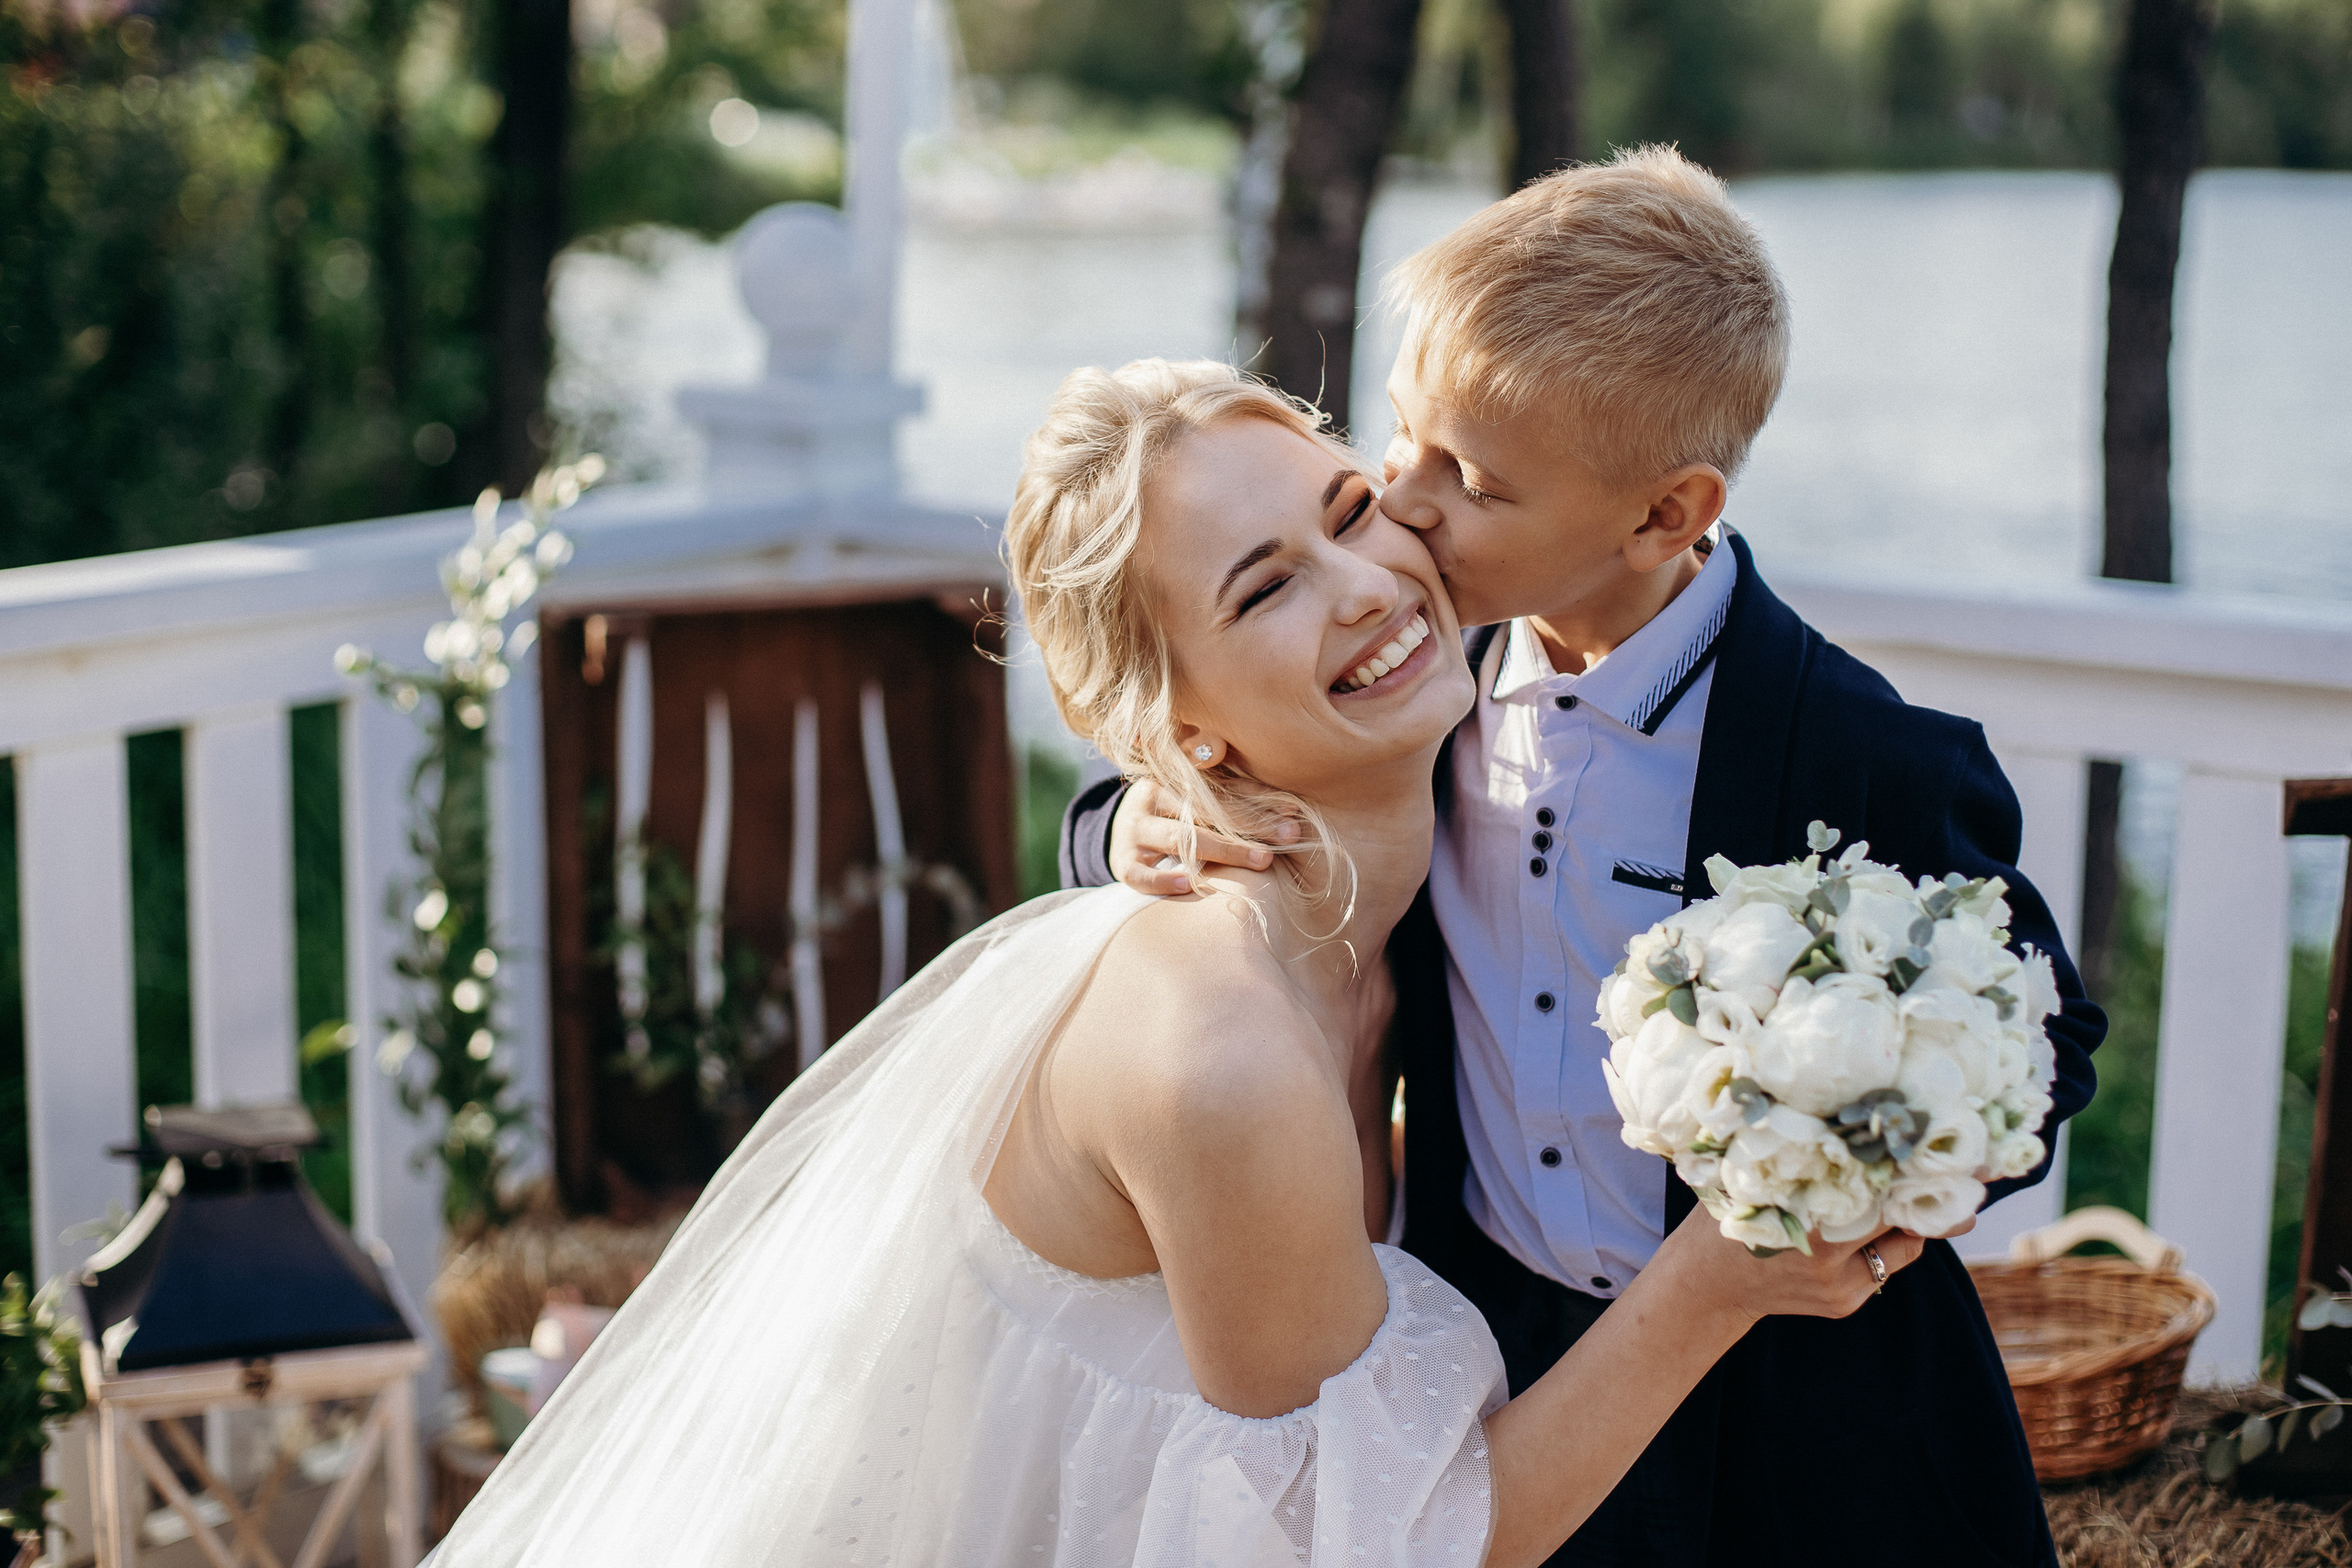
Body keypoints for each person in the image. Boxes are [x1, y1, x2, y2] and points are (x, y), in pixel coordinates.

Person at [430, 360, 1926, 1567]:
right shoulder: (1222, 1052)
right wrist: (1717, 1281)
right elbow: (1414, 1551)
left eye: (1352, 508)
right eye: (1263, 588)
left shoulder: (1434, 843)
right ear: (1184, 734)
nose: (1366, 586)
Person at [1066, 150, 2107, 1568]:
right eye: (1401, 441)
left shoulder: (1870, 760)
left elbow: (2039, 1042)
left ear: (1665, 516)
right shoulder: (1413, 688)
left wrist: (1865, 1156)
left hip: (1803, 1395)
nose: (1406, 506)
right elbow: (1195, 761)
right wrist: (1126, 822)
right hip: (1509, 1353)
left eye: (1474, 483)